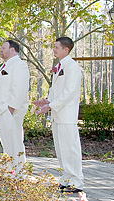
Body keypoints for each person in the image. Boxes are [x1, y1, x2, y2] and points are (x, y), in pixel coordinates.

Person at [34, 37, 84, 194]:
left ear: (66, 50)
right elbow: (57, 91)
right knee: (61, 150)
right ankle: (66, 179)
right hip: (57, 115)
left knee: (71, 149)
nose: (54, 50)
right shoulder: (59, 66)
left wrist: (51, 105)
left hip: (67, 116)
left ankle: (76, 181)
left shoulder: (72, 67)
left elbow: (69, 92)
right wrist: (46, 101)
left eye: (56, 47)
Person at [0, 40, 30, 170]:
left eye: (3, 48)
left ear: (13, 49)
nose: (1, 50)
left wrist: (11, 108)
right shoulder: (5, 66)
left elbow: (20, 88)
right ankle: (10, 172)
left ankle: (19, 174)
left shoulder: (19, 65)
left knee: (15, 143)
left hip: (11, 111)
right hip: (0, 110)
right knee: (7, 144)